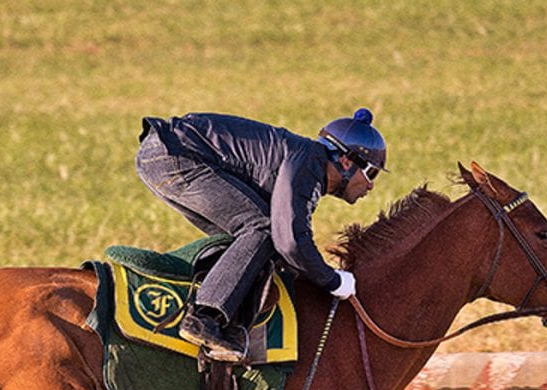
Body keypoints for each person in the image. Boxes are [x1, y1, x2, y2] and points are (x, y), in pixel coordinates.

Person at [135, 108, 387, 362]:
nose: (371, 185)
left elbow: (287, 243)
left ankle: (224, 319)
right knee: (263, 227)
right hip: (176, 154)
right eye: (371, 173)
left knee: (253, 242)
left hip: (163, 153)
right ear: (346, 162)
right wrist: (332, 280)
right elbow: (289, 240)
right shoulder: (309, 163)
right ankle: (204, 319)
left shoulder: (307, 163)